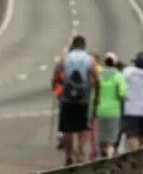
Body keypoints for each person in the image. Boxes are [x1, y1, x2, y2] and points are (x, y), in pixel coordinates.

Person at [54, 36, 99, 165]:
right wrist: (96, 96)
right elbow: (96, 78)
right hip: (83, 97)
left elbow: (55, 78)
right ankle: (80, 147)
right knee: (82, 127)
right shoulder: (89, 60)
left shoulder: (65, 59)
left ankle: (68, 155)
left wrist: (57, 92)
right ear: (84, 46)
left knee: (67, 129)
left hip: (67, 97)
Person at [95, 52, 126, 158]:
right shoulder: (118, 76)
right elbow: (122, 94)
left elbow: (95, 92)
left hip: (101, 110)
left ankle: (102, 154)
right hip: (113, 111)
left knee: (102, 135)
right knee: (112, 137)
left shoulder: (100, 75)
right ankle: (110, 154)